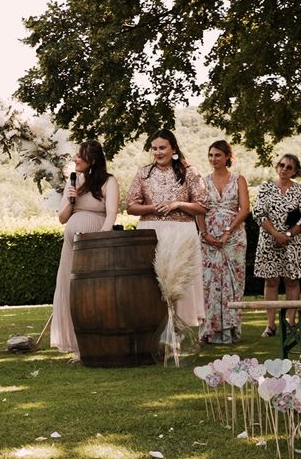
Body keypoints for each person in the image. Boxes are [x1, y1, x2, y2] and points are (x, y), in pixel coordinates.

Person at [126, 129, 208, 326]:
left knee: (179, 283)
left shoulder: (190, 172)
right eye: (154, 149)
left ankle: (179, 333)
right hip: (150, 233)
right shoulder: (143, 173)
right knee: (151, 283)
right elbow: (130, 206)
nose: (158, 152)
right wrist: (152, 207)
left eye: (162, 148)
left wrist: (177, 204)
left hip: (181, 233)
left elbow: (203, 206)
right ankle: (154, 330)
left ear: (173, 149)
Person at [50, 140, 120, 362]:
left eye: (79, 156)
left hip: (94, 244)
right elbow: (62, 219)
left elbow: (111, 215)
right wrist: (72, 199)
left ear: (92, 159)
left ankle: (98, 343)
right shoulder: (74, 182)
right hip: (71, 246)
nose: (74, 159)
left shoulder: (109, 182)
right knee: (72, 293)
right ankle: (79, 347)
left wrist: (100, 241)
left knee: (92, 294)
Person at [196, 141, 249, 344]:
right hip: (209, 238)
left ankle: (230, 329)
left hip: (233, 238)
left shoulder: (238, 180)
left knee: (233, 282)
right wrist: (204, 233)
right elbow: (199, 208)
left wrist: (228, 231)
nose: (213, 159)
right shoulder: (203, 181)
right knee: (208, 282)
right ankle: (209, 330)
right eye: (210, 155)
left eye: (217, 155)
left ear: (227, 156)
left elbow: (244, 209)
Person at [252, 154, 301, 337]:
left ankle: (290, 323)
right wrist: (275, 234)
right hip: (269, 241)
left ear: (295, 171)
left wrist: (287, 235)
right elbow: (258, 214)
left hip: (292, 242)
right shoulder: (265, 188)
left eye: (289, 167)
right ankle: (270, 325)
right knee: (271, 281)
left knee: (292, 281)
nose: (284, 169)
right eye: (282, 165)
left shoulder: (299, 190)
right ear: (277, 166)